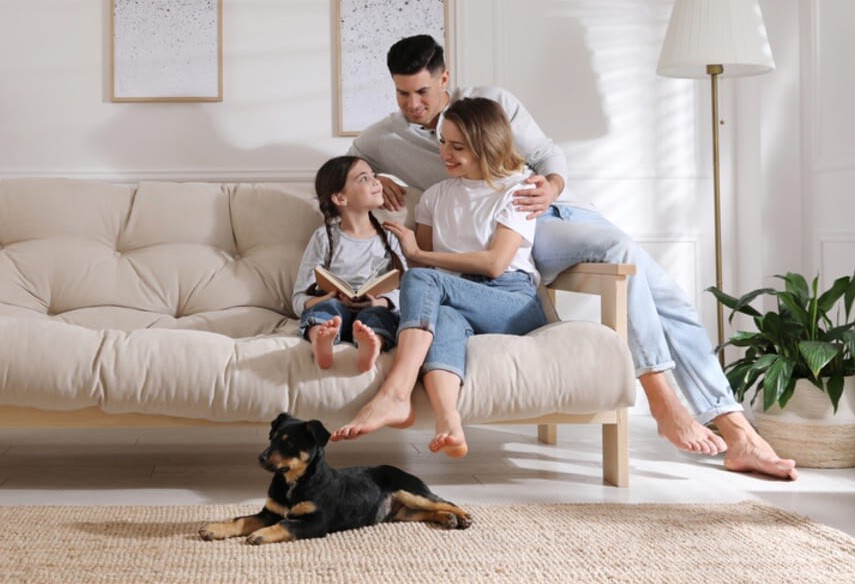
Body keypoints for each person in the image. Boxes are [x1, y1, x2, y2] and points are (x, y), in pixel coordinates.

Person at [333, 34, 797, 480]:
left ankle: (706, 417)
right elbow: (345, 167)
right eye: (401, 94)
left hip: (546, 214)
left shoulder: (492, 103)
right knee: (639, 274)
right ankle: (708, 421)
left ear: (444, 78)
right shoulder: (387, 139)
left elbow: (548, 156)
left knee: (662, 293)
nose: (413, 104)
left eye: (422, 91)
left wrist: (547, 189)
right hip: (495, 238)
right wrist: (376, 175)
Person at [375, 97, 548, 457]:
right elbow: (422, 272)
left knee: (427, 282)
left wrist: (419, 255)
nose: (445, 154)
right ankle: (449, 420)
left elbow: (496, 263)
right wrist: (411, 262)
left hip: (511, 301)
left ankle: (396, 392)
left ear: (486, 145)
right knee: (446, 318)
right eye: (442, 143)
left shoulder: (519, 190)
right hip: (457, 298)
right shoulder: (435, 197)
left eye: (458, 147)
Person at [292, 156, 407, 372]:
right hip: (335, 308)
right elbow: (298, 297)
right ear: (340, 198)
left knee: (378, 317)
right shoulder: (323, 238)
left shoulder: (389, 237)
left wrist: (380, 302)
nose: (376, 182)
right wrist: (325, 298)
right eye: (364, 178)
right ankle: (321, 339)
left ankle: (372, 345)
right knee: (327, 309)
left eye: (374, 175)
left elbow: (407, 291)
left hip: (373, 307)